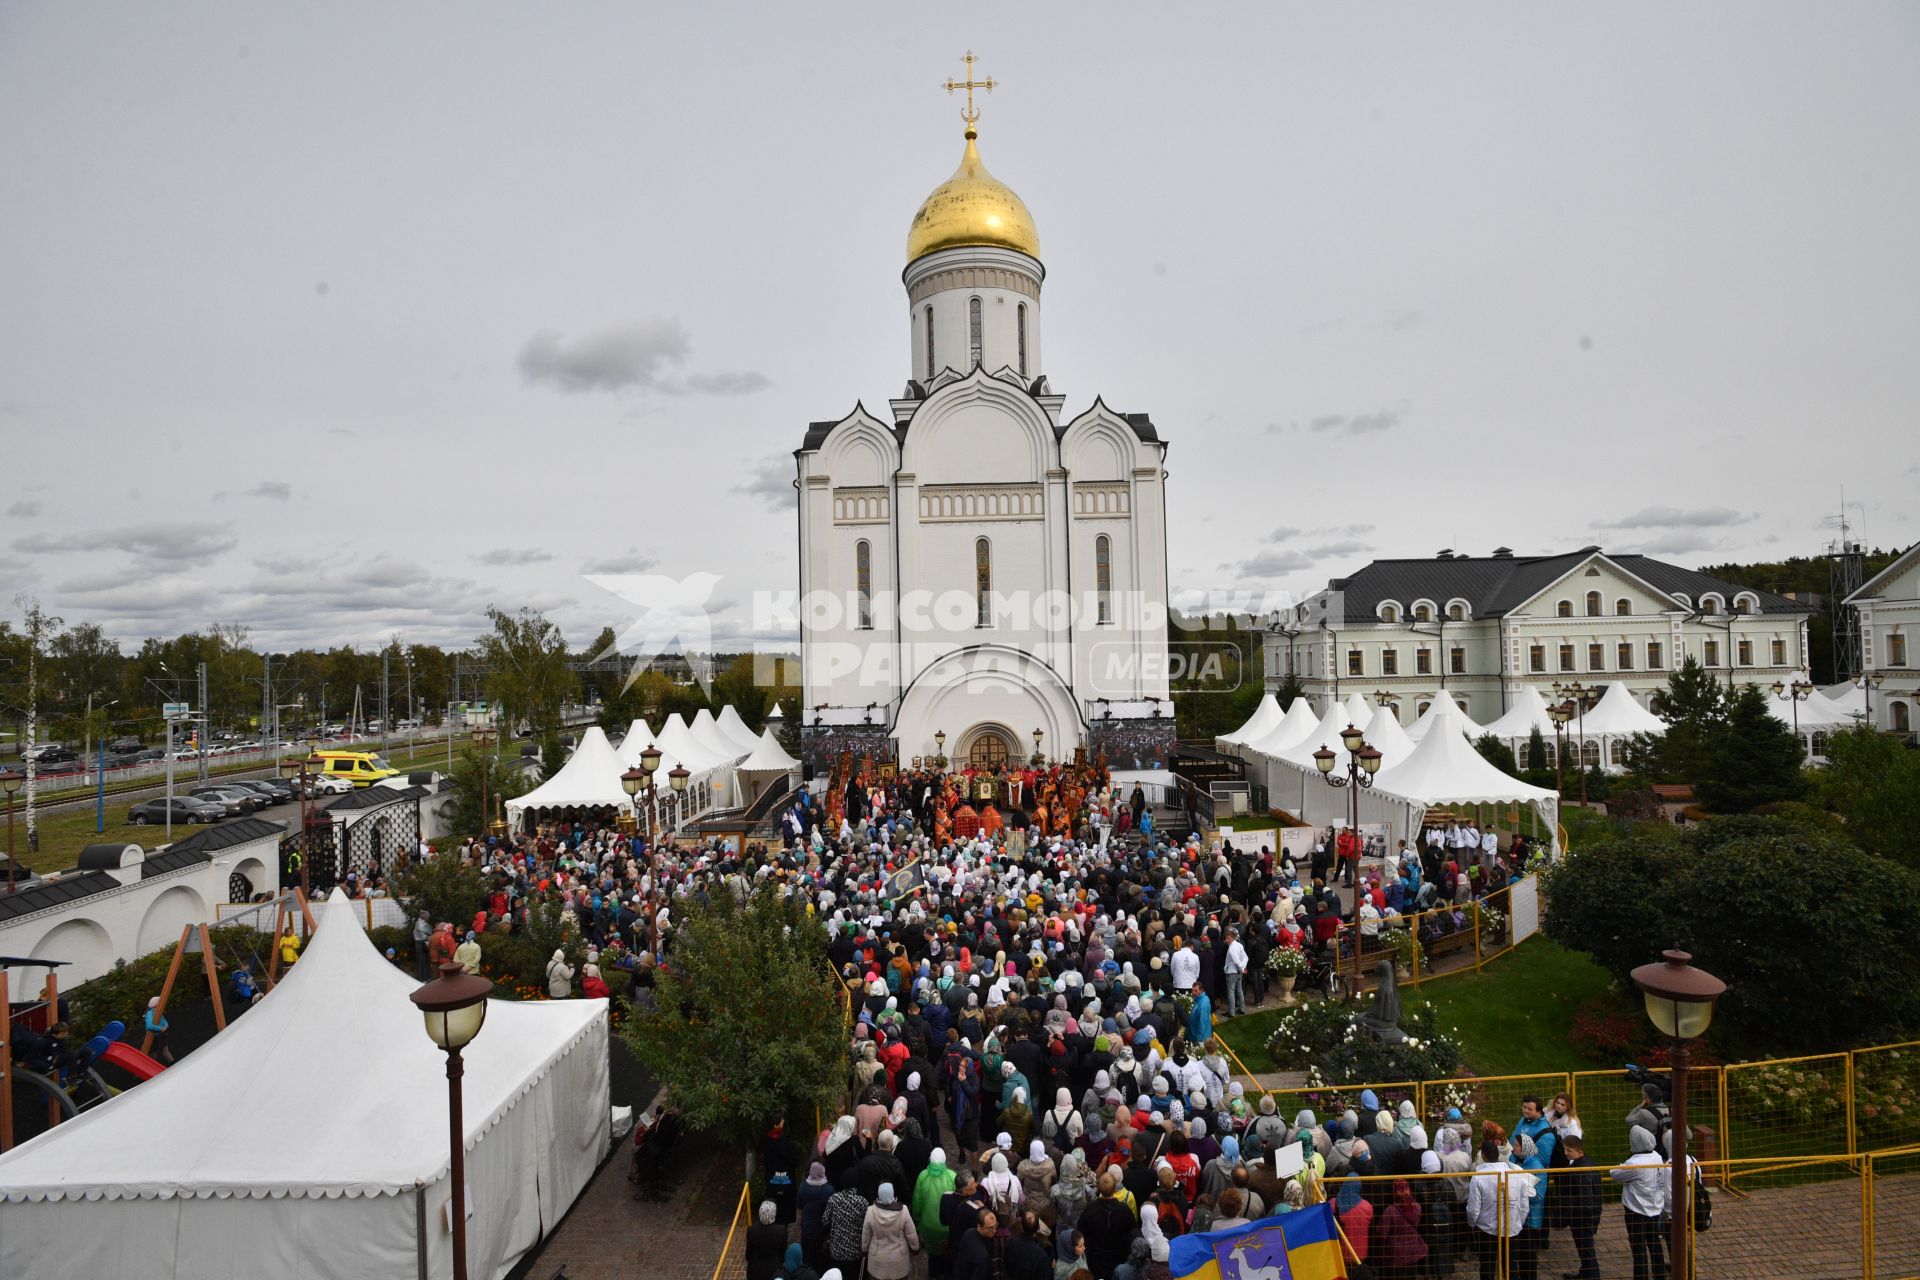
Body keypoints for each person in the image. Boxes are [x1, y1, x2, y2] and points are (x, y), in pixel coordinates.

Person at [1611, 1126, 1668, 1280]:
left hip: (1636, 1210)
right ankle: (1659, 1275)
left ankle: (1641, 1277)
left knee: (1639, 1248)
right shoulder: (1656, 1156)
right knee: (1654, 1243)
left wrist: (1619, 1166)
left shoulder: (1634, 1164)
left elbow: (1615, 1175)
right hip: (1654, 1207)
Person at [1559, 1135, 1603, 1280]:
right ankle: (1585, 1273)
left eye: (1569, 1150)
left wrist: (1574, 1217)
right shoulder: (1586, 1162)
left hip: (1582, 1218)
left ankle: (1592, 1276)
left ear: (1579, 1151)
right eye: (1565, 1149)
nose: (1566, 1153)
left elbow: (1585, 1199)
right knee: (1585, 1249)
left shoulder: (1580, 1170)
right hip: (1586, 1215)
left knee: (1587, 1250)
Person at [862, 1182, 920, 1280]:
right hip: (899, 1261)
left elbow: (866, 1234)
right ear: (892, 1194)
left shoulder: (870, 1211)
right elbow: (911, 1234)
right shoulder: (903, 1210)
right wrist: (915, 1248)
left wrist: (864, 1250)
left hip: (877, 1261)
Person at [746, 1200, 789, 1280]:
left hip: (755, 1269)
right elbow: (783, 1252)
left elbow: (748, 1253)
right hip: (774, 1270)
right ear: (774, 1214)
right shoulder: (781, 1230)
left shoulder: (751, 1230)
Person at [1221, 927, 1248, 1019]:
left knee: (1231, 992)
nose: (1226, 940)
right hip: (1238, 972)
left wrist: (1241, 969)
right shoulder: (1239, 945)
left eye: (1228, 938)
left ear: (1232, 937)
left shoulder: (1232, 948)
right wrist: (1242, 968)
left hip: (1232, 972)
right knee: (1239, 990)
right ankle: (1242, 1009)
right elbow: (1245, 958)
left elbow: (1236, 961)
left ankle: (1231, 1012)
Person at [143, 997, 174, 1065]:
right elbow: (149, 1026)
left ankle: (172, 1062)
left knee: (164, 1048)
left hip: (161, 1034)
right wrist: (160, 1028)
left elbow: (164, 1020)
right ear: (156, 1004)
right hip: (154, 1036)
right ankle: (151, 1066)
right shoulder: (150, 1013)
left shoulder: (158, 1011)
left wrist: (166, 1025)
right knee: (154, 1052)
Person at [412, 910, 432, 979]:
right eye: (428, 916)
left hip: (423, 944)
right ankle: (421, 977)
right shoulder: (420, 924)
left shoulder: (422, 923)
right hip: (421, 944)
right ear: (425, 916)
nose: (428, 918)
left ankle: (425, 976)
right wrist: (428, 938)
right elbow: (423, 936)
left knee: (425, 961)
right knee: (421, 961)